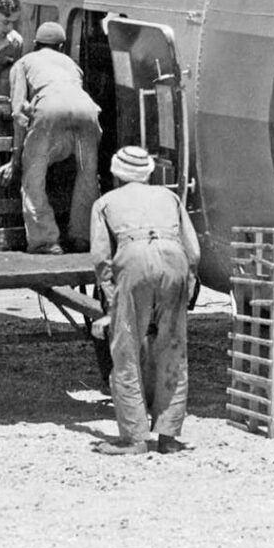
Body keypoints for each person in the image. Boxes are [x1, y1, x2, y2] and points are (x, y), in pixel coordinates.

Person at [89, 145, 200, 456]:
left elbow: (101, 258)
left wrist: (114, 304)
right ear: (148, 172)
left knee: (125, 350)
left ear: (115, 173)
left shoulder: (104, 203)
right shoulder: (169, 197)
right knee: (174, 347)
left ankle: (135, 437)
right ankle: (169, 436)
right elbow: (193, 250)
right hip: (174, 258)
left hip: (134, 258)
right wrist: (187, 286)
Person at [0, 21, 101, 255]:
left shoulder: (23, 63)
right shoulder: (72, 65)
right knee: (87, 175)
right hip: (87, 110)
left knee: (33, 176)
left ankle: (46, 240)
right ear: (62, 46)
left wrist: (16, 158)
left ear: (35, 44)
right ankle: (82, 237)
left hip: (50, 109)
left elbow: (19, 113)